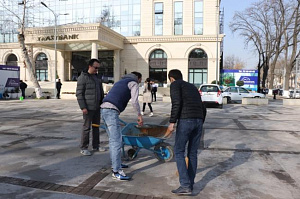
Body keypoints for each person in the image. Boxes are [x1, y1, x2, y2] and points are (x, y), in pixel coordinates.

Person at [165, 69, 206, 195]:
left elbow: (176, 103)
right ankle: (190, 184)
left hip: (186, 120)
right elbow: (202, 106)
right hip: (198, 120)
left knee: (178, 151)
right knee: (192, 153)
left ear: (171, 78)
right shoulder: (192, 87)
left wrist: (172, 123)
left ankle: (185, 185)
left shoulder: (175, 85)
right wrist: (200, 121)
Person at [101, 72, 143, 181]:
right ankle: (116, 171)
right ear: (138, 78)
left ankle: (116, 163)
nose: (140, 82)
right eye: (140, 80)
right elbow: (134, 101)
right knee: (116, 141)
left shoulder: (120, 82)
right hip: (111, 111)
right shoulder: (133, 83)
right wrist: (139, 114)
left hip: (105, 109)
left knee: (113, 140)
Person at [76, 59, 105, 156]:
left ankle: (96, 145)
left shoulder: (97, 78)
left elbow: (100, 92)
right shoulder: (83, 78)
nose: (97, 70)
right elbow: (79, 94)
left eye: (98, 68)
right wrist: (83, 107)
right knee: (86, 128)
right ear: (90, 66)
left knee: (96, 127)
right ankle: (84, 147)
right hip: (88, 108)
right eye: (95, 67)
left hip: (97, 107)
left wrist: (102, 103)